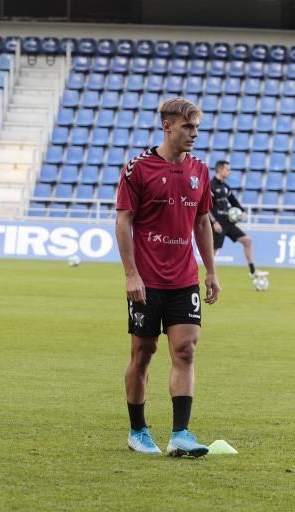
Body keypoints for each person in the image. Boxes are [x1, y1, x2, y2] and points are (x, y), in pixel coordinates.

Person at [115, 97, 221, 457]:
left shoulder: (200, 171)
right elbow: (123, 221)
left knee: (185, 350)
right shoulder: (138, 168)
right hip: (147, 279)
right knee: (143, 352)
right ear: (167, 126)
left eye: (196, 127)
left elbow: (202, 222)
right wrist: (131, 274)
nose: (194, 134)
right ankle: (138, 430)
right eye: (188, 127)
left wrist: (210, 271)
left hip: (184, 279)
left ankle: (181, 434)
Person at [209, 160, 268, 280]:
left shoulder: (226, 187)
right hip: (218, 224)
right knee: (213, 252)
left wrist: (243, 211)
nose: (229, 172)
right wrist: (214, 222)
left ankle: (252, 271)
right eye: (227, 169)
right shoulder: (211, 186)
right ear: (220, 170)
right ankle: (210, 276)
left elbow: (233, 201)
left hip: (228, 222)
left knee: (247, 241)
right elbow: (206, 207)